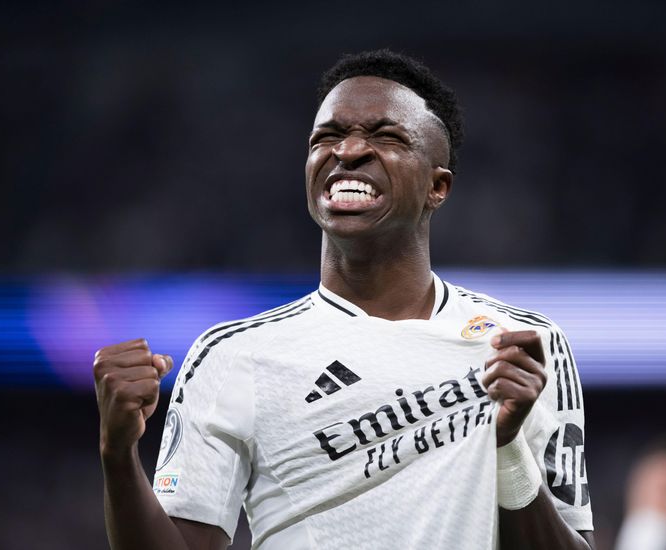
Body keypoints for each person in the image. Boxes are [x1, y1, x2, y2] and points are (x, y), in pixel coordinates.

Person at [93, 49, 595, 550]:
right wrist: (118, 454)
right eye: (327, 136)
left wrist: (507, 448)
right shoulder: (232, 356)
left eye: (386, 136)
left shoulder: (525, 347)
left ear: (437, 187)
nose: (348, 150)